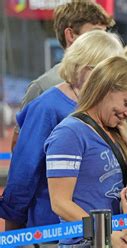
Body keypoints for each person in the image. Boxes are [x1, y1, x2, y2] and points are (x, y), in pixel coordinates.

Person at [0, 31, 123, 230]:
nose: (111, 82)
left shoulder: (105, 106)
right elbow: (24, 172)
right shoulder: (47, 107)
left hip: (103, 228)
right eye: (106, 73)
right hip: (54, 229)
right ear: (84, 68)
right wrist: (14, 235)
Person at [45, 55, 127, 247]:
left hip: (115, 238)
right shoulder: (70, 133)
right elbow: (59, 203)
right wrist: (105, 233)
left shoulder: (115, 132)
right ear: (106, 88)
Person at [10, 0, 115, 150]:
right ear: (71, 35)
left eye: (104, 34)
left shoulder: (110, 81)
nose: (103, 41)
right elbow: (20, 147)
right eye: (95, 33)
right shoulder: (43, 87)